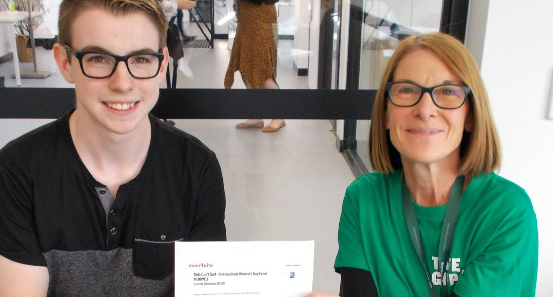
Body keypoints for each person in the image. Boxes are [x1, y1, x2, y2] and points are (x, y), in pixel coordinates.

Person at [0, 0, 227, 296]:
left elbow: (210, 286)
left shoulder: (196, 166)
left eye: (141, 59)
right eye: (98, 58)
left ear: (162, 63)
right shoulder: (18, 168)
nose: (122, 83)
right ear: (65, 63)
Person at [308, 33, 538, 297]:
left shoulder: (506, 211)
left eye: (448, 91)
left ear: (471, 117)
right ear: (385, 113)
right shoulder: (363, 199)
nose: (425, 108)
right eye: (407, 90)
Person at [224, 0, 285, 132]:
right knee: (246, 68)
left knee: (262, 71)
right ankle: (256, 115)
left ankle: (279, 114)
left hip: (258, 20)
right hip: (247, 21)